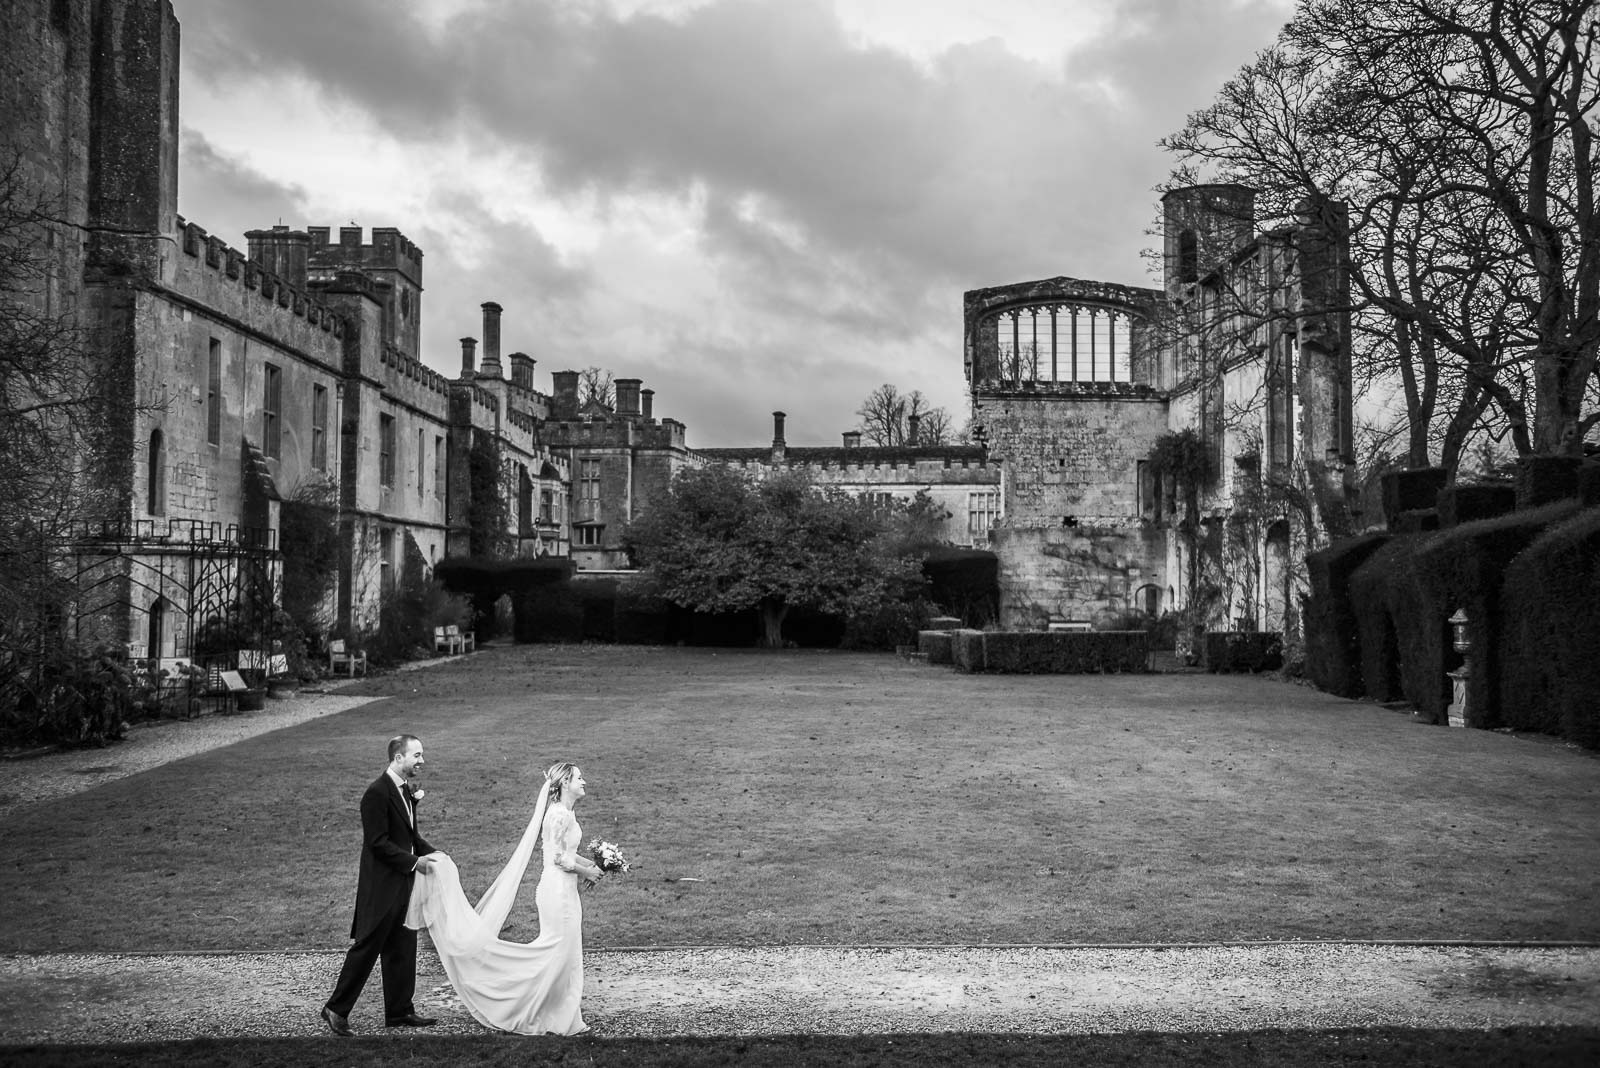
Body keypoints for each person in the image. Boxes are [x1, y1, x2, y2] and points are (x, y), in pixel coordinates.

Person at [403, 760, 603, 1036]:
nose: (584, 782)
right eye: (579, 778)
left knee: (565, 951)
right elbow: (557, 858)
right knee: (558, 950)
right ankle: (527, 1007)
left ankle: (558, 1010)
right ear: (565, 783)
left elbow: (565, 850)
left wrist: (592, 865)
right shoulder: (559, 815)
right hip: (558, 891)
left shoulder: (564, 812)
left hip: (564, 889)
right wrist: (585, 872)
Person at [320, 734, 440, 1037]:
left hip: (404, 884)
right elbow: (377, 843)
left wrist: (435, 855)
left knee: (403, 945)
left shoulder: (404, 792)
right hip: (382, 887)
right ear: (398, 758)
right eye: (417, 755)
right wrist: (415, 863)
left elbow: (410, 837)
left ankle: (399, 1011)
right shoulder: (376, 793)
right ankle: (336, 1009)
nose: (421, 761)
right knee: (367, 947)